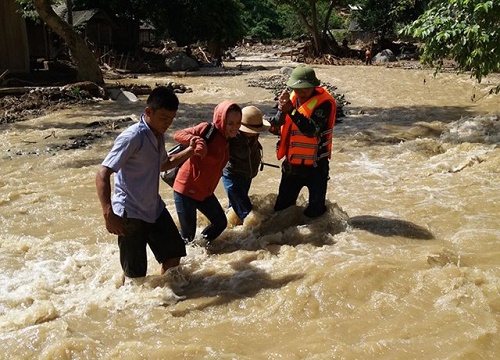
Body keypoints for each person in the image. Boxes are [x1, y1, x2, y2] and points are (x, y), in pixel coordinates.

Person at [96, 86, 194, 284]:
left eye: (172, 118)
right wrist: (108, 212)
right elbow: (103, 173)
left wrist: (190, 151)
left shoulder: (157, 134)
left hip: (153, 208)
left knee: (173, 256)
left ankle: (167, 295)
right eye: (164, 118)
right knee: (136, 276)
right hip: (130, 213)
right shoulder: (133, 137)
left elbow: (163, 164)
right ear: (148, 112)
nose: (168, 123)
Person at [269, 65, 337, 218]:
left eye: (305, 89)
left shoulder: (324, 103)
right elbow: (277, 122)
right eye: (298, 89)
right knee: (281, 211)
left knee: (316, 214)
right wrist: (278, 112)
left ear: (314, 86)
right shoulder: (291, 98)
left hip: (316, 167)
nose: (301, 93)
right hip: (292, 166)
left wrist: (291, 111)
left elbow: (311, 130)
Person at [172, 101, 242, 244]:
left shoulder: (228, 138)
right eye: (231, 123)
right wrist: (195, 140)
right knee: (187, 236)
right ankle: (176, 262)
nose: (235, 127)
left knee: (221, 223)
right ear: (221, 120)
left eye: (238, 123)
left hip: (205, 193)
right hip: (186, 189)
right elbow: (178, 134)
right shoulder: (207, 130)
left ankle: (201, 250)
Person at [222, 105, 270, 223]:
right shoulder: (231, 136)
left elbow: (277, 121)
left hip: (247, 175)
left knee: (235, 205)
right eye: (252, 131)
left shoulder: (254, 133)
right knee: (246, 212)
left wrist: (282, 107)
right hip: (232, 176)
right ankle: (252, 236)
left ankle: (233, 229)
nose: (255, 133)